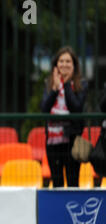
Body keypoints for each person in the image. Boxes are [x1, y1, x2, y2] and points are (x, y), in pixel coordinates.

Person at [41, 46, 88, 187]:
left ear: (74, 65)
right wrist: (55, 88)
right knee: (57, 182)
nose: (64, 64)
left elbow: (76, 108)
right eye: (61, 61)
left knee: (73, 181)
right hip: (53, 140)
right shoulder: (49, 83)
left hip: (72, 139)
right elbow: (44, 109)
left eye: (68, 61)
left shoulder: (81, 84)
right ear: (56, 65)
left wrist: (66, 84)